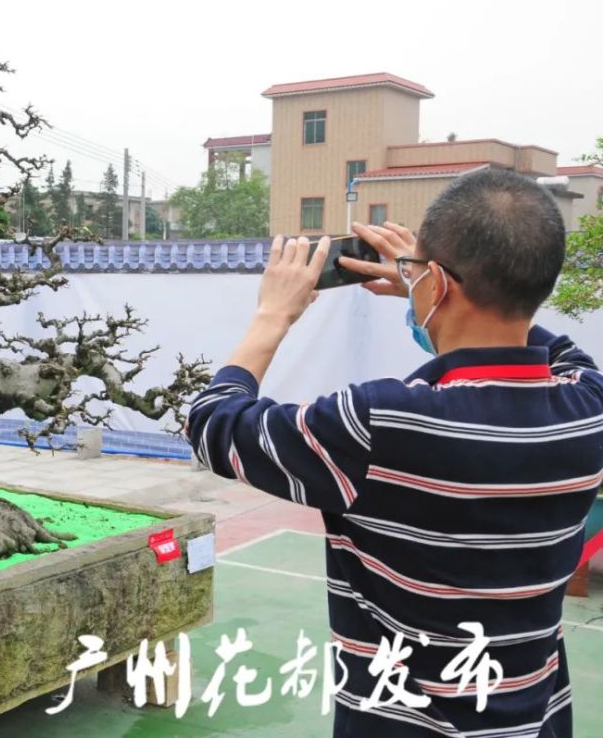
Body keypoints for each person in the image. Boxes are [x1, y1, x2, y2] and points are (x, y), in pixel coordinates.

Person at [188, 168, 603, 737]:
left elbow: (214, 424)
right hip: (535, 722)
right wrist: (429, 282)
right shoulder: (588, 405)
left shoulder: (380, 424)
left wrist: (272, 313)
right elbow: (551, 345)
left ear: (438, 284)